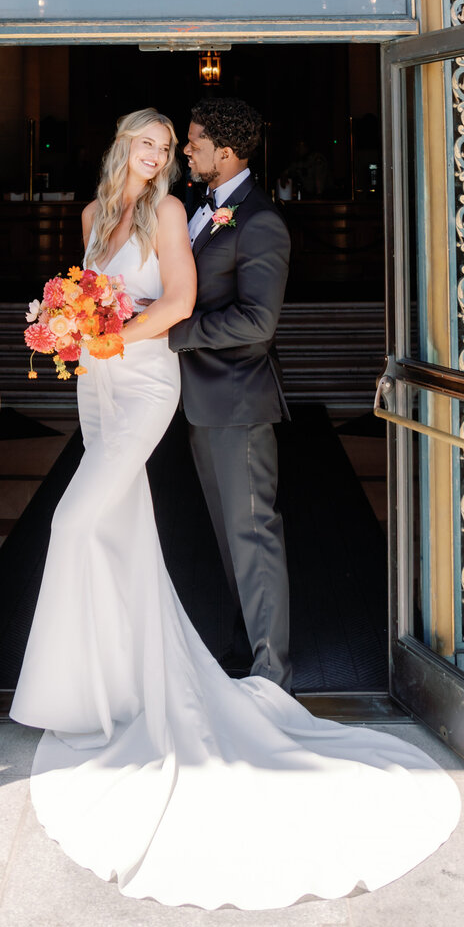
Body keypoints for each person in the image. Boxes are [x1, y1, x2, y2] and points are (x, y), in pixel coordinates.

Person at [10, 106, 460, 909]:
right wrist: (64, 330)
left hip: (185, 385)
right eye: (151, 143)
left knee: (126, 524)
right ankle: (112, 678)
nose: (170, 153)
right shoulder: (107, 212)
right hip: (111, 390)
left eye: (178, 143)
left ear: (227, 148)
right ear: (123, 148)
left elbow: (227, 314)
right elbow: (93, 293)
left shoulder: (225, 217)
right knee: (137, 531)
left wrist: (123, 338)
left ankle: (271, 679)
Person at [170, 97, 293, 689]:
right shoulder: (202, 206)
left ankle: (273, 674)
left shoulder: (260, 221)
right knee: (229, 535)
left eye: (194, 140)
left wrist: (175, 332)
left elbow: (256, 322)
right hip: (205, 403)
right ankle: (249, 653)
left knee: (252, 534)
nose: (185, 149)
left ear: (225, 151)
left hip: (240, 402)